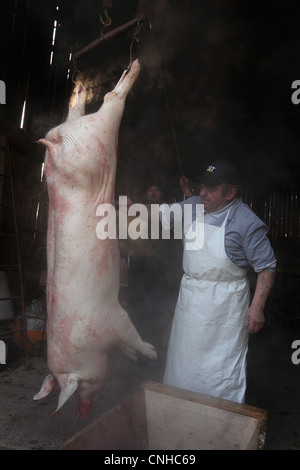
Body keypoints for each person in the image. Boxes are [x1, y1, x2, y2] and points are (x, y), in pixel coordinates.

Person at [161, 160, 276, 403]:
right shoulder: (194, 205)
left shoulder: (246, 223)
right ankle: (178, 415)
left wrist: (257, 307)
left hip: (226, 308)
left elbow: (266, 268)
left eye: (210, 189)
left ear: (230, 193)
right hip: (191, 300)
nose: (202, 193)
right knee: (183, 364)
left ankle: (221, 424)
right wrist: (127, 209)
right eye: (202, 186)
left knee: (219, 371)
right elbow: (162, 215)